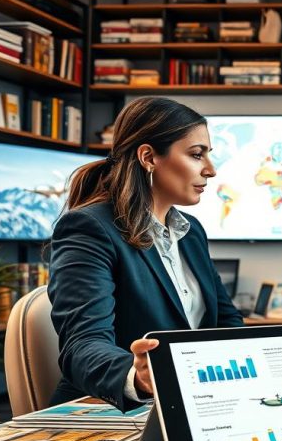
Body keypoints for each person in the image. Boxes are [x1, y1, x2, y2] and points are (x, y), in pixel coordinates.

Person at [49, 97, 243, 410]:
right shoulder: (89, 227)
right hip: (110, 411)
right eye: (197, 155)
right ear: (149, 157)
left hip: (187, 404)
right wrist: (136, 376)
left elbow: (226, 321)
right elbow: (82, 344)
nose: (210, 170)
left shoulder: (191, 231)